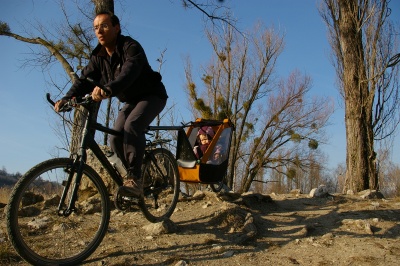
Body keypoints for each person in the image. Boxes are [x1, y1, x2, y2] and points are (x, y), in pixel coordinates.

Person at [54, 11, 168, 198]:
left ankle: (135, 179)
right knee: (114, 138)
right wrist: (67, 98)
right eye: (96, 28)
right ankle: (130, 180)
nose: (99, 31)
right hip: (131, 101)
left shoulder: (130, 47)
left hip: (152, 96)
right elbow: (84, 80)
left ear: (117, 28)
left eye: (104, 26)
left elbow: (129, 72)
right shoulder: (98, 57)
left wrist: (108, 88)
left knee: (132, 126)